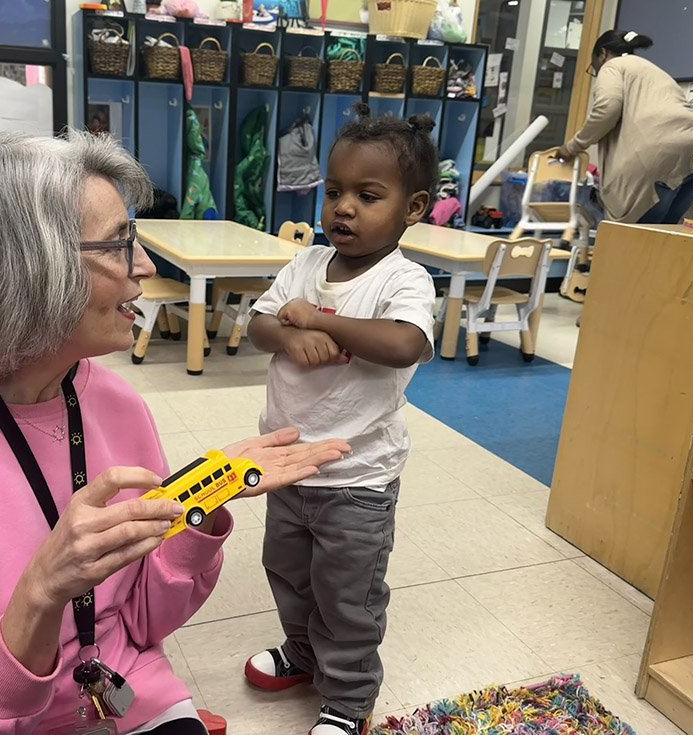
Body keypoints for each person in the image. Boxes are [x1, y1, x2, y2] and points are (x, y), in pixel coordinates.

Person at [0, 131, 350, 735]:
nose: (145, 268)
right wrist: (43, 589)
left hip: (118, 689)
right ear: (27, 265)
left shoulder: (114, 403)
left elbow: (142, 623)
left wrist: (205, 497)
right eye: (118, 246)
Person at [243, 105, 437, 735]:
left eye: (368, 195)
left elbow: (405, 343)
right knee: (290, 573)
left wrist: (319, 319)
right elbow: (258, 324)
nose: (344, 208)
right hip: (288, 468)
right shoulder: (304, 265)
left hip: (358, 476)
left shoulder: (404, 280)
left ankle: (349, 698)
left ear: (414, 208)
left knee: (346, 594)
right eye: (334, 192)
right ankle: (303, 655)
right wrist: (288, 336)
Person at [556, 31, 693, 225]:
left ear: (602, 54)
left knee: (632, 240)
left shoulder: (612, 66)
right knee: (664, 237)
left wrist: (572, 147)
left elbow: (607, 108)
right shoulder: (653, 70)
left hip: (658, 154)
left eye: (593, 66)